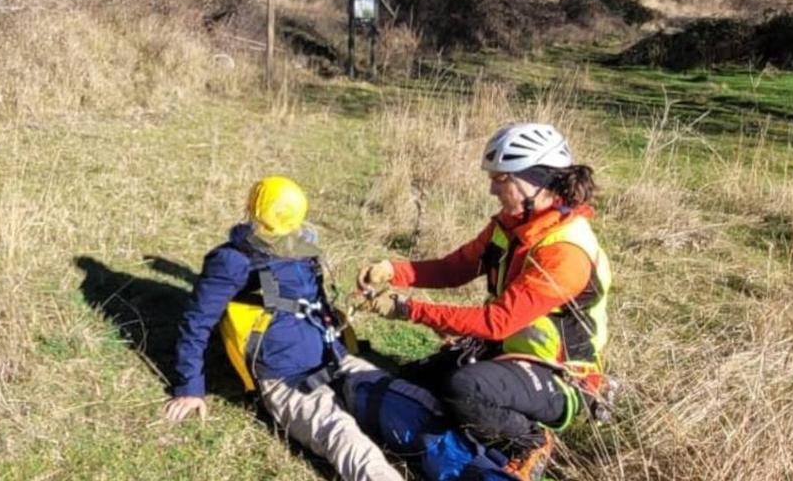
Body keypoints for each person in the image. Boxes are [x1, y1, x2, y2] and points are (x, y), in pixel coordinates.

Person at [358, 123, 614, 481]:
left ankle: (529, 441)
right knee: (417, 381)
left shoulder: (565, 250)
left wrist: (407, 309)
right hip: (507, 351)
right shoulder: (512, 226)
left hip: (560, 376)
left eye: (502, 179)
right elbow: (456, 267)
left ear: (537, 181)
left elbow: (497, 321)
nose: (492, 188)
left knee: (465, 389)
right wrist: (394, 270)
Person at [164, 176, 403, 481]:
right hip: (286, 378)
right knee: (344, 436)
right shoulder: (233, 260)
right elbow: (196, 322)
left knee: (408, 403)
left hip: (334, 356)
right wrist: (190, 388)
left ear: (252, 207)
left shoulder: (305, 250)